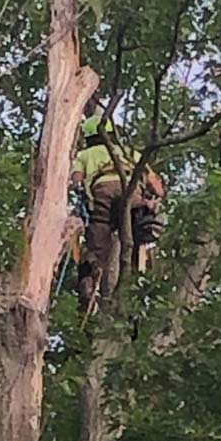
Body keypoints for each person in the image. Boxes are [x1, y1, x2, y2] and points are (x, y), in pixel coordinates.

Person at [71, 114, 164, 311]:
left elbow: (77, 179)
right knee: (136, 228)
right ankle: (133, 280)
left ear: (88, 138)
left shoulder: (85, 155)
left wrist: (79, 189)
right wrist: (155, 197)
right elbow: (156, 185)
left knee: (97, 237)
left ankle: (91, 278)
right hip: (130, 191)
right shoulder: (129, 152)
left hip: (101, 192)